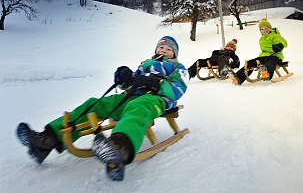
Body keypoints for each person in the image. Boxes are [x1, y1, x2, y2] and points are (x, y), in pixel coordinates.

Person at [16, 36, 189, 181]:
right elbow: (127, 83)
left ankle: (121, 147)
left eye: (168, 49)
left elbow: (178, 88)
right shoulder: (145, 64)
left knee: (138, 109)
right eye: (161, 47)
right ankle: (48, 139)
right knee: (94, 103)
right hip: (129, 96)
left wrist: (156, 82)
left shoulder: (177, 68)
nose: (163, 50)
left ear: (175, 53)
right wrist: (123, 77)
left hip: (155, 99)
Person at [229, 19, 288, 85]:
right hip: (263, 56)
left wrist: (280, 45)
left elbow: (284, 42)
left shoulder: (274, 35)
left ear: (269, 28)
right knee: (250, 63)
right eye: (262, 29)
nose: (264, 30)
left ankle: (266, 73)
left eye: (266, 28)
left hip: (275, 56)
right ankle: (238, 77)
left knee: (271, 62)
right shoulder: (262, 38)